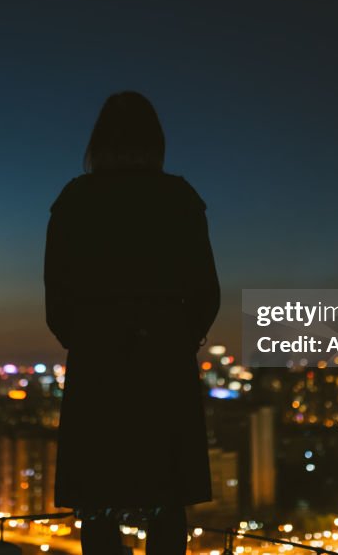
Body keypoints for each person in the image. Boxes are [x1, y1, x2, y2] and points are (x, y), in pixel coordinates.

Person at [44, 91, 221, 555]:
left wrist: (89, 338)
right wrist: (176, 338)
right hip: (164, 359)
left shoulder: (75, 200)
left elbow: (56, 298)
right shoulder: (179, 198)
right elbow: (207, 292)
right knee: (166, 497)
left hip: (97, 358)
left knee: (98, 498)